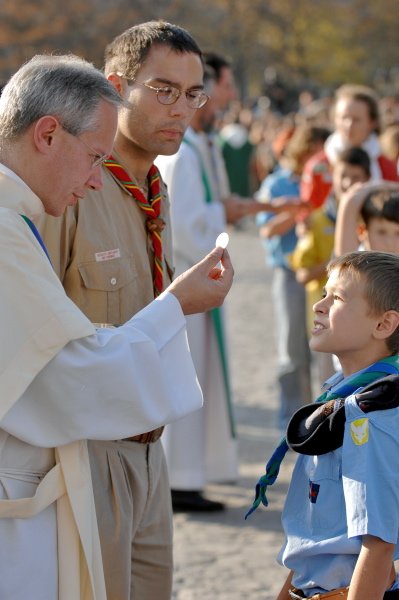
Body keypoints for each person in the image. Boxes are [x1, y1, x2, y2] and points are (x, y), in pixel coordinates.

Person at [0, 53, 234, 600]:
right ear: (48, 134)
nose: (92, 179)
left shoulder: (22, 213)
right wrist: (176, 307)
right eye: (91, 158)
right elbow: (64, 374)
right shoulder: (11, 226)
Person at [156, 62, 264, 512]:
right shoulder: (183, 151)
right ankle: (179, 478)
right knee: (185, 376)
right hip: (186, 278)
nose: (226, 94)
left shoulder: (200, 145)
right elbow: (182, 222)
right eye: (225, 84)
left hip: (198, 277)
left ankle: (190, 473)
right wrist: (224, 215)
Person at [275, 251, 399, 600]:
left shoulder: (372, 415)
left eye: (338, 297)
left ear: (384, 325)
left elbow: (378, 544)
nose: (319, 305)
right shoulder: (339, 396)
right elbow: (316, 543)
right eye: (324, 293)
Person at [255, 124, 330, 432]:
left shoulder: (328, 178)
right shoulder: (277, 184)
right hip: (288, 273)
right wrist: (300, 210)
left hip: (323, 274)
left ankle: (322, 416)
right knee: (291, 350)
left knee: (323, 349)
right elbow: (267, 229)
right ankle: (291, 420)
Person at [291, 147, 371, 386]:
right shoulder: (315, 220)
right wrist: (339, 271)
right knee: (329, 388)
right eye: (342, 175)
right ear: (333, 176)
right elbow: (302, 274)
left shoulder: (377, 221)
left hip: (367, 324)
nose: (347, 183)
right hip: (326, 321)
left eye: (355, 177)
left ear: (367, 179)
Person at [301, 84, 399, 210]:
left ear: (373, 122)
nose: (349, 125)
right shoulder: (318, 166)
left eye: (356, 119)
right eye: (344, 118)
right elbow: (307, 213)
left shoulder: (386, 167)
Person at [334, 181, 399, 256]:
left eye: (398, 233)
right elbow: (350, 201)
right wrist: (382, 185)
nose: (390, 243)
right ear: (362, 231)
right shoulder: (357, 263)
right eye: (381, 232)